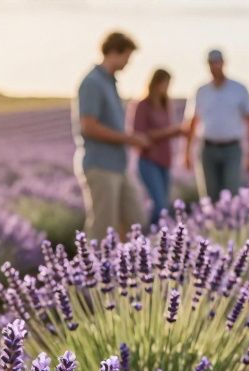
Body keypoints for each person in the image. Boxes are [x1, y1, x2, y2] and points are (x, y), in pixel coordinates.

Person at [73, 31, 149, 240]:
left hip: (118, 165)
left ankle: (130, 269)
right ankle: (91, 272)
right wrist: (129, 139)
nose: (128, 63)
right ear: (115, 52)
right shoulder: (93, 82)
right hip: (100, 165)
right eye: (127, 56)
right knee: (103, 227)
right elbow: (89, 126)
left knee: (136, 221)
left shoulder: (109, 82)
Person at [183, 48, 249, 200]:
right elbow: (192, 122)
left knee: (231, 193)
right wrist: (187, 152)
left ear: (223, 63)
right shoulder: (201, 91)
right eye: (211, 63)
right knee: (209, 195)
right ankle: (212, 224)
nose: (214, 66)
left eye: (217, 62)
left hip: (232, 149)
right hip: (207, 148)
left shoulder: (239, 89)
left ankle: (228, 223)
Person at [131, 68, 185, 227]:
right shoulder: (143, 105)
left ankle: (158, 237)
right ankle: (149, 237)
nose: (167, 87)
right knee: (159, 204)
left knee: (164, 205)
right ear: (156, 83)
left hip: (164, 160)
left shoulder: (165, 104)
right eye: (165, 84)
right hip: (149, 160)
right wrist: (170, 132)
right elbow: (139, 135)